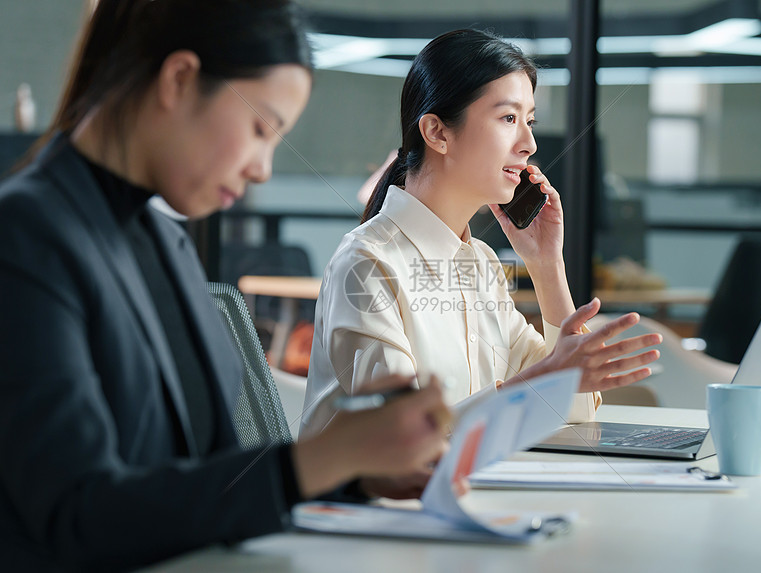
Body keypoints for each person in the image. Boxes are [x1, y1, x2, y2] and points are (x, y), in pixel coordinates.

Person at [0, 1, 450, 570]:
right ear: (181, 80)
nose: (264, 167)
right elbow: (77, 514)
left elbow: (202, 484)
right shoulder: (25, 234)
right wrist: (318, 460)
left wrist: (351, 472)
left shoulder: (164, 239)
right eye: (261, 128)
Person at [301, 29, 662, 438]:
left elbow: (574, 409)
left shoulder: (481, 264)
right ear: (437, 132)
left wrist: (546, 266)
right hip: (378, 501)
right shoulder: (367, 262)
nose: (528, 144)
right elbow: (402, 436)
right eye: (508, 118)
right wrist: (546, 377)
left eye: (529, 121)